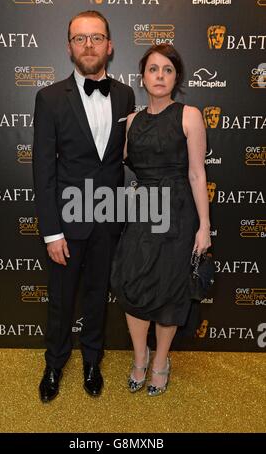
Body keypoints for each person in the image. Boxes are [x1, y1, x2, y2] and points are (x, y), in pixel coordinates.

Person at [33, 10, 135, 402]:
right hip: (67, 221)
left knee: (97, 296)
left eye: (96, 37)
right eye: (80, 38)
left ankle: (93, 360)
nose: (88, 45)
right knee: (60, 300)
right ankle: (54, 363)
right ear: (69, 47)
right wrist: (52, 231)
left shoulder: (125, 94)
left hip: (108, 220)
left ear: (109, 45)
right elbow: (43, 169)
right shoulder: (48, 97)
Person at [111, 43, 211, 396]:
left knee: (170, 290)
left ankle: (160, 362)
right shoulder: (133, 122)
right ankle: (140, 357)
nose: (160, 76)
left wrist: (203, 226)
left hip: (179, 213)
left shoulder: (189, 116)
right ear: (142, 76)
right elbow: (115, 164)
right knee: (132, 283)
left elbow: (198, 174)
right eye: (153, 69)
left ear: (176, 78)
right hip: (142, 211)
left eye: (167, 70)